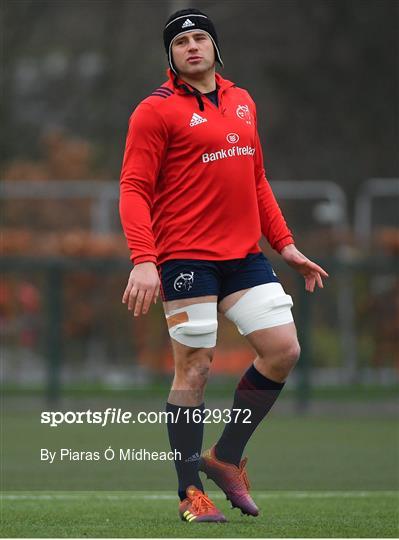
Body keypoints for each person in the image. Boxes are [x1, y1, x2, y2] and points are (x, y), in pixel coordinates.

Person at [119, 8, 328, 523]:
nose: (193, 46)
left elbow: (257, 180)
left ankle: (226, 456)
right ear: (170, 55)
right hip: (184, 256)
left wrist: (286, 244)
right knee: (196, 367)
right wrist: (144, 260)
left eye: (200, 38)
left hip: (244, 257)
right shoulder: (155, 110)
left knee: (283, 350)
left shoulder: (242, 102)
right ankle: (191, 491)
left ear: (215, 47)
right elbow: (133, 189)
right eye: (182, 41)